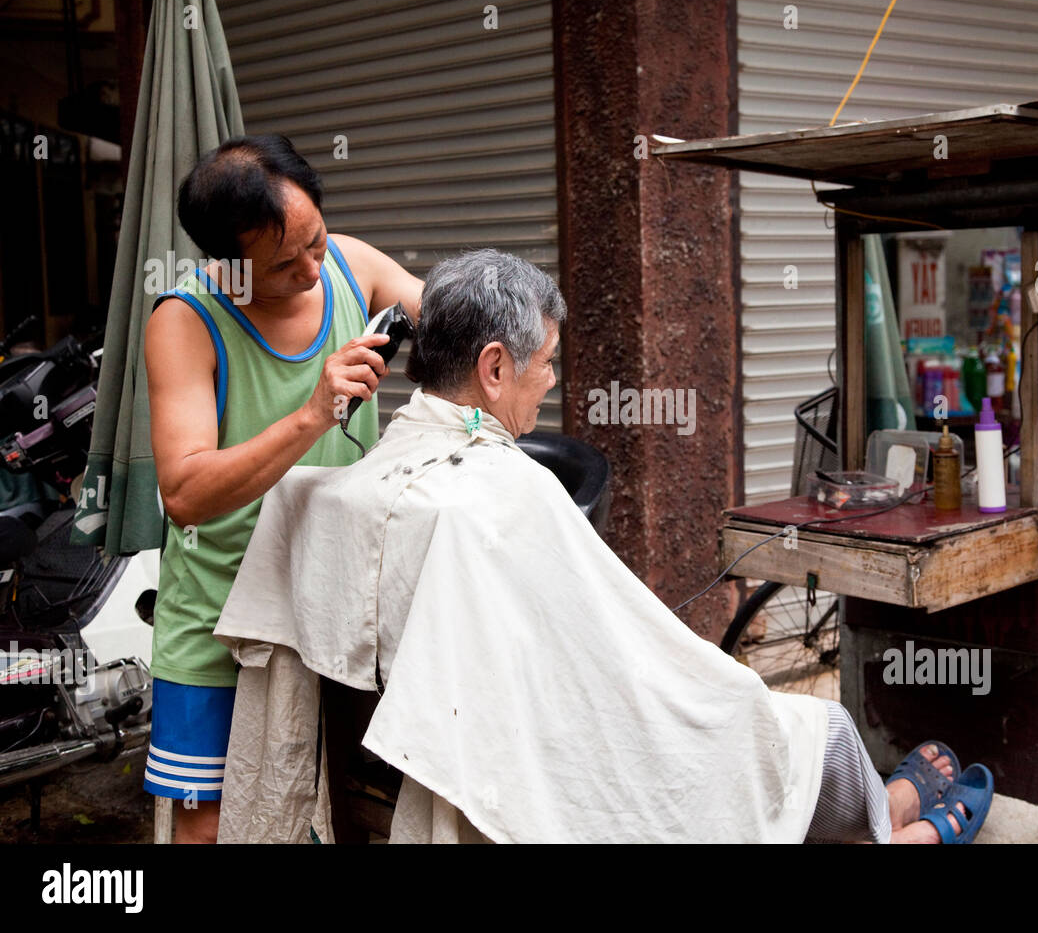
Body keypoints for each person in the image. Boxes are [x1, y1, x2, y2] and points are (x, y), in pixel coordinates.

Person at [213, 249, 994, 843]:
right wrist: (712, 689)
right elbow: (632, 673)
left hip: (421, 755)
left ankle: (887, 808)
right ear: (493, 368)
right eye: (546, 363)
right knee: (787, 729)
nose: (549, 382)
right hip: (529, 754)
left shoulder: (328, 490)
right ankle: (901, 822)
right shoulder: (496, 497)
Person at [142, 135, 425, 843]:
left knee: (329, 807)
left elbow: (448, 316)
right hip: (217, 612)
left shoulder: (351, 267)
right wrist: (312, 415)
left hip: (329, 596)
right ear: (227, 265)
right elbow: (184, 491)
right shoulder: (185, 323)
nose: (310, 270)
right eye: (282, 263)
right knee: (210, 825)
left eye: (316, 241)